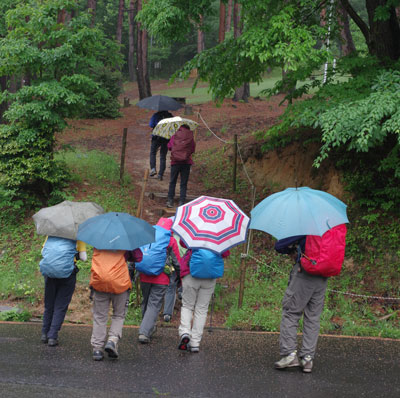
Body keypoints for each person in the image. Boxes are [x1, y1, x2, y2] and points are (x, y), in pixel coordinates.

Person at [273, 235, 327, 374]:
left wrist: (292, 250)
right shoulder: (330, 225)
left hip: (304, 273)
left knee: (291, 312)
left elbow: (279, 246)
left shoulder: (305, 224)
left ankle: (289, 354)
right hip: (323, 275)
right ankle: (308, 358)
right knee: (313, 317)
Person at [90, 248, 142, 361]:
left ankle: (97, 349)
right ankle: (112, 340)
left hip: (100, 281)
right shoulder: (125, 241)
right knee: (118, 315)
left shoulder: (99, 238)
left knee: (100, 316)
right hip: (120, 282)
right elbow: (139, 257)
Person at [178, 248, 230, 353]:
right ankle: (195, 343)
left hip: (191, 272)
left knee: (187, 306)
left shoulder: (195, 232)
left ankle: (185, 332)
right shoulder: (218, 234)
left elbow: (183, 243)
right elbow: (226, 253)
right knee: (202, 309)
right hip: (209, 276)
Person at [138, 217, 181, 343]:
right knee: (154, 304)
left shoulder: (146, 235)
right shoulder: (170, 240)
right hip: (161, 278)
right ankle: (144, 332)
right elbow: (177, 262)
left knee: (146, 302)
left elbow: (137, 253)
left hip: (144, 275)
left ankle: (147, 327)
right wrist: (180, 277)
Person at [39, 236, 87, 347]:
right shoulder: (78, 237)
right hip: (67, 274)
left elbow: (43, 252)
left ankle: (44, 333)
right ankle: (52, 336)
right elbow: (84, 258)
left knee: (49, 304)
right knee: (60, 306)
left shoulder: (50, 234)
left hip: (50, 273)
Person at [166, 124, 195, 208]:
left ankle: (170, 200)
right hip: (186, 162)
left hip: (175, 162)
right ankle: (182, 201)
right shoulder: (190, 136)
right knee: (183, 183)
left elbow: (169, 146)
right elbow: (192, 149)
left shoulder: (175, 135)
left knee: (172, 181)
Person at [162, 234, 187, 322]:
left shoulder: (170, 235)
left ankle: (167, 313)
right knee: (183, 278)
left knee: (170, 287)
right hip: (184, 261)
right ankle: (181, 292)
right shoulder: (188, 234)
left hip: (172, 263)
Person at [149, 110, 173, 180]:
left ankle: (153, 169)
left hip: (156, 136)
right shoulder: (170, 116)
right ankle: (160, 174)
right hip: (166, 137)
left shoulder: (156, 115)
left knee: (153, 153)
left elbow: (151, 125)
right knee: (163, 156)